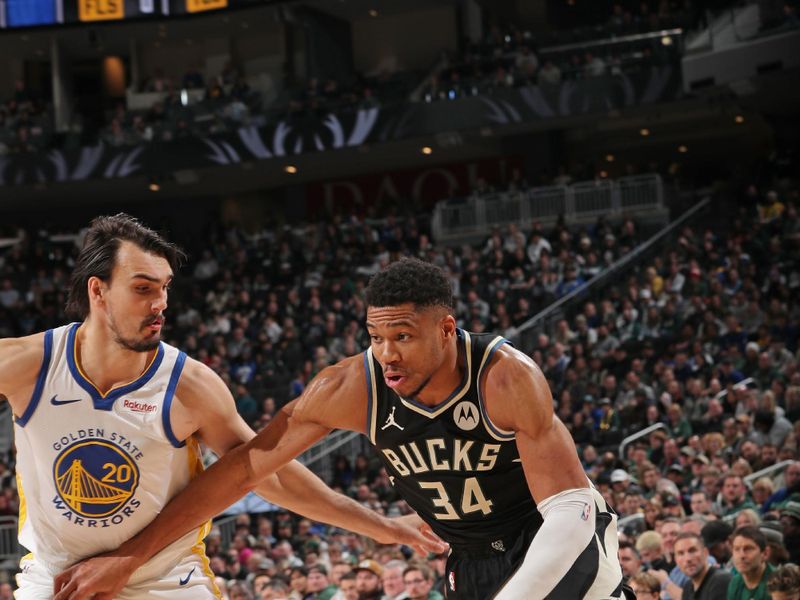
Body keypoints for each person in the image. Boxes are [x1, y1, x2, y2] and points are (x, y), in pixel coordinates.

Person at [54, 257, 626, 600]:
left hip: (555, 540)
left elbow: (571, 510)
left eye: (402, 336)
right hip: (470, 561)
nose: (386, 354)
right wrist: (129, 557)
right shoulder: (351, 386)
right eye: (376, 338)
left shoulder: (506, 378)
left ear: (447, 330)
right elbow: (244, 470)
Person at [0, 215, 442, 599]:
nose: (160, 305)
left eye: (164, 288)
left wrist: (380, 526)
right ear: (98, 291)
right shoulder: (26, 364)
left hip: (165, 579)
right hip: (58, 579)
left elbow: (266, 471)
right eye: (142, 289)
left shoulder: (188, 385)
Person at [673, 532, 732, 600]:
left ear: (705, 553)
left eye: (692, 551)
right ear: (676, 560)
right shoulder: (688, 587)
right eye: (681, 553)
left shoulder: (721, 580)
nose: (687, 559)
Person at [727, 526, 774, 600]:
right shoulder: (735, 582)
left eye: (748, 549)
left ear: (765, 553)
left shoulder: (778, 582)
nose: (741, 555)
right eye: (737, 549)